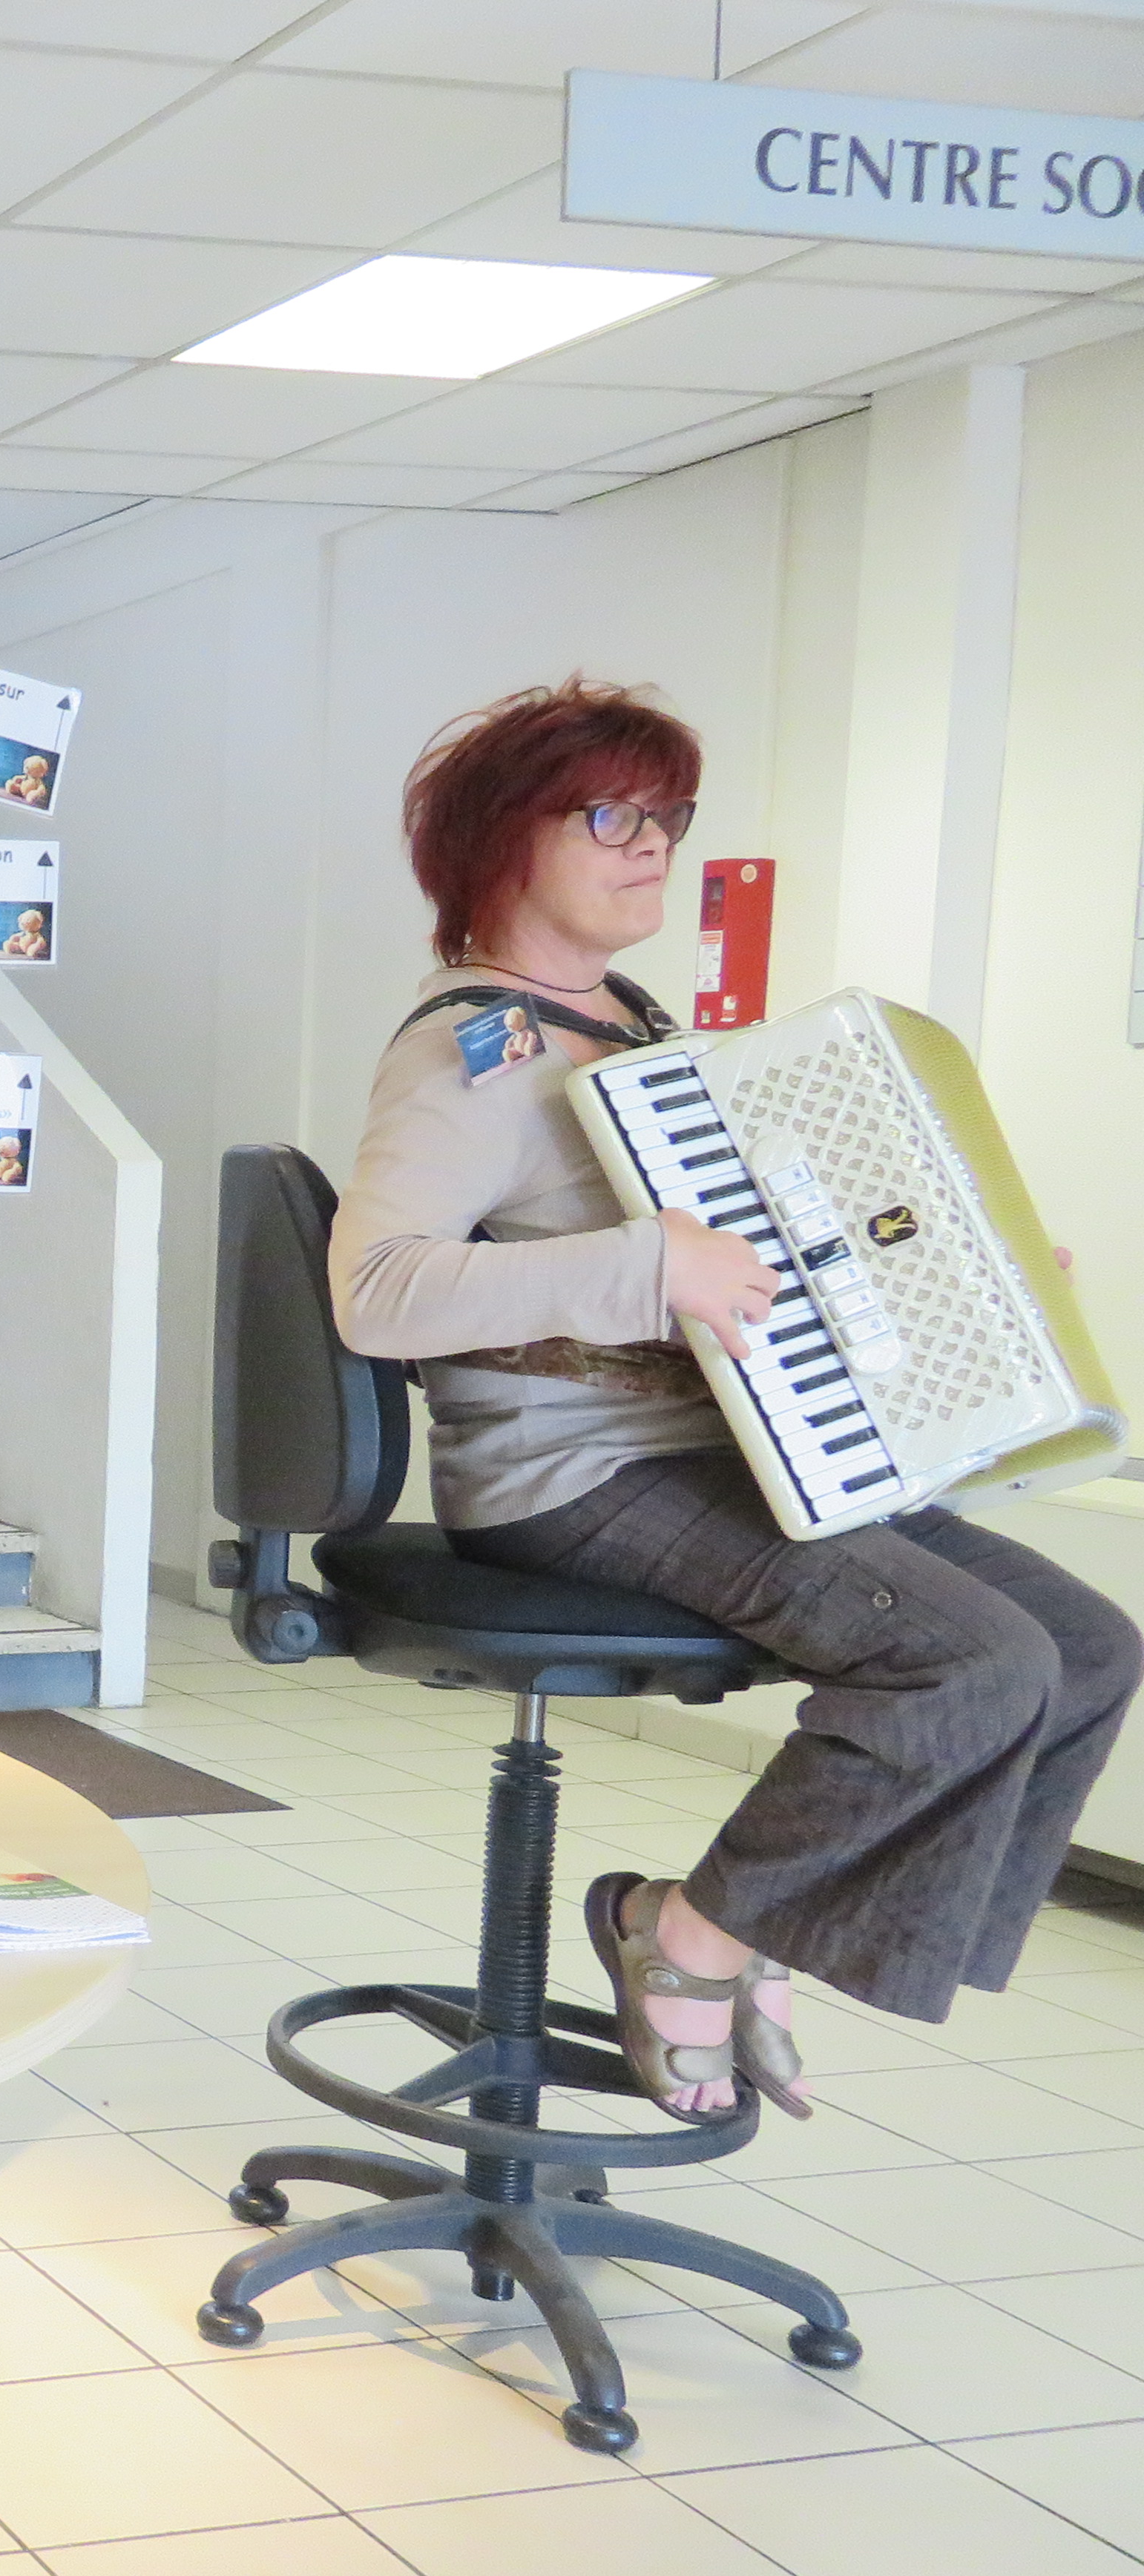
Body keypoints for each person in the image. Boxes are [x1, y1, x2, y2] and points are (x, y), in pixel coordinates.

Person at [332, 679, 1136, 2120]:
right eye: (610, 815)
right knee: (972, 1662)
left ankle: (761, 1930)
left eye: (668, 815)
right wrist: (644, 1266)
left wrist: (977, 1276)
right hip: (575, 1477)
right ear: (500, 837)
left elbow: (749, 1255)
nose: (655, 844)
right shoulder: (470, 1054)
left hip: (740, 1449)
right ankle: (688, 1936)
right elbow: (377, 1292)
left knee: (1086, 1648)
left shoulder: (633, 1022)